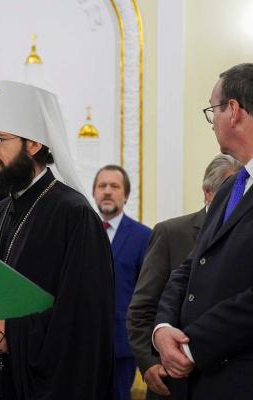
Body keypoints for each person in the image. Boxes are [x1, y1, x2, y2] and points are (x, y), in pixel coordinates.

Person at [0, 80, 115, 400]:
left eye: (0, 139)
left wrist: (12, 333)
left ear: (33, 145)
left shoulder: (75, 214)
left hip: (46, 386)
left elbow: (84, 320)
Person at [154, 63, 253, 399]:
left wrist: (192, 347)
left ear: (234, 111)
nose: (212, 124)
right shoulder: (230, 188)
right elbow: (191, 266)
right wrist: (164, 328)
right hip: (198, 380)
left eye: (214, 110)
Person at [127, 154, 240, 400]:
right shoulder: (171, 233)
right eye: (229, 189)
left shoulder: (242, 233)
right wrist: (149, 364)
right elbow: (142, 307)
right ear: (208, 193)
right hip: (171, 380)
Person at [93, 164, 152, 400]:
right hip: (84, 343)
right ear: (94, 193)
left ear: (126, 195)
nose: (107, 191)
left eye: (114, 186)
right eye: (102, 186)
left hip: (123, 345)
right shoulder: (82, 231)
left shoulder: (144, 236)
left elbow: (147, 292)